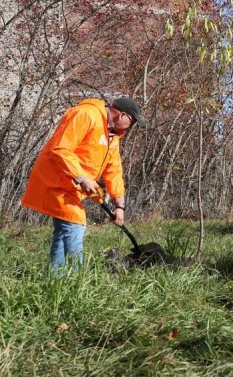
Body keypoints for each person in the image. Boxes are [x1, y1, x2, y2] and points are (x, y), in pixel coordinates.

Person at [21, 97, 145, 275]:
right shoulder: (86, 114)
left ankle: (58, 280)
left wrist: (119, 205)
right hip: (56, 181)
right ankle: (77, 278)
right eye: (132, 122)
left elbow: (114, 170)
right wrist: (82, 178)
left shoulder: (113, 136)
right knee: (75, 225)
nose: (131, 127)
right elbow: (61, 149)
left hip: (73, 187)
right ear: (122, 115)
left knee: (64, 232)